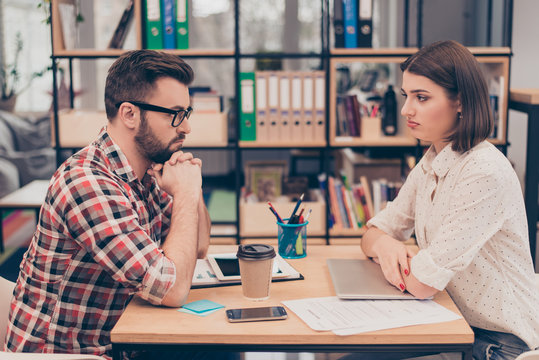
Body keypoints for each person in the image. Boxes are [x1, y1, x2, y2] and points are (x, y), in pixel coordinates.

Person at [4, 50, 212, 358]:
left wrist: (190, 189)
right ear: (130, 114)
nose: (185, 128)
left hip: (120, 341)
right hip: (69, 354)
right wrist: (185, 194)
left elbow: (198, 246)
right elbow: (174, 289)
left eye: (187, 114)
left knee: (214, 348)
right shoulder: (88, 184)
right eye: (175, 114)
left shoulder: (143, 173)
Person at [361, 40, 539, 360]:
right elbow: (374, 232)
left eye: (422, 97)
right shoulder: (434, 160)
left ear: (460, 101)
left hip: (498, 343)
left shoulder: (482, 171)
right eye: (407, 96)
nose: (406, 110)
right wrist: (386, 245)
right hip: (456, 323)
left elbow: (422, 284)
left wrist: (389, 250)